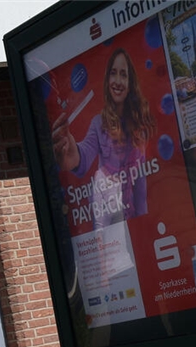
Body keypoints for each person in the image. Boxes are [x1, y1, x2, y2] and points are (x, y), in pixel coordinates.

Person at [51, 47, 156, 226]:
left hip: (132, 219)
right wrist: (70, 152)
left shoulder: (139, 127)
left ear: (131, 82)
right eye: (113, 73)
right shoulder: (98, 123)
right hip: (108, 217)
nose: (117, 81)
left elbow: (140, 188)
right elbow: (83, 157)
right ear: (107, 79)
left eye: (123, 74)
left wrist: (144, 228)